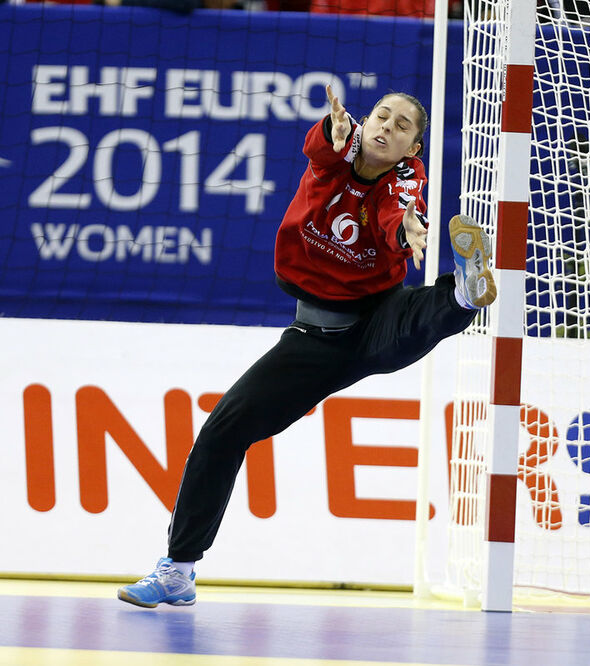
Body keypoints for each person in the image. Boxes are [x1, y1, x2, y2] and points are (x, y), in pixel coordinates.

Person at [117, 87, 496, 607]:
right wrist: (330, 130)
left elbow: (395, 213)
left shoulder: (406, 181)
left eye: (403, 126)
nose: (388, 126)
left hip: (373, 319)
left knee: (415, 318)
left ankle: (464, 290)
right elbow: (320, 149)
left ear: (412, 149)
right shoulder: (337, 149)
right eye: (382, 115)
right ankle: (179, 571)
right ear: (364, 122)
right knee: (221, 433)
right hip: (314, 339)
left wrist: (408, 227)